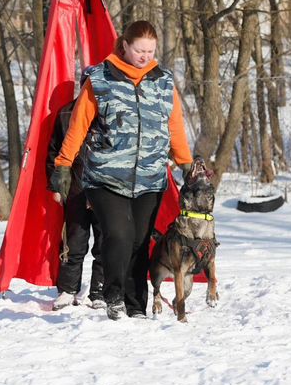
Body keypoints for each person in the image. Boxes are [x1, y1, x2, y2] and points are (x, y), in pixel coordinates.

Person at [50, 20, 193, 320]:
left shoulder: (163, 81)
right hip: (105, 176)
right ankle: (112, 296)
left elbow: (175, 127)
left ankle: (135, 304)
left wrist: (186, 165)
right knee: (118, 233)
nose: (145, 56)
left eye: (151, 51)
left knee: (140, 242)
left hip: (150, 178)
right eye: (139, 50)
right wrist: (63, 165)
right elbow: (77, 127)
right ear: (124, 45)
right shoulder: (101, 80)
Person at [46, 99, 105, 311]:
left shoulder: (113, 107)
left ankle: (100, 290)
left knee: (105, 241)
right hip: (76, 186)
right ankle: (68, 290)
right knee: (74, 240)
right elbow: (54, 151)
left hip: (106, 187)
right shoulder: (66, 113)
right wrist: (55, 186)